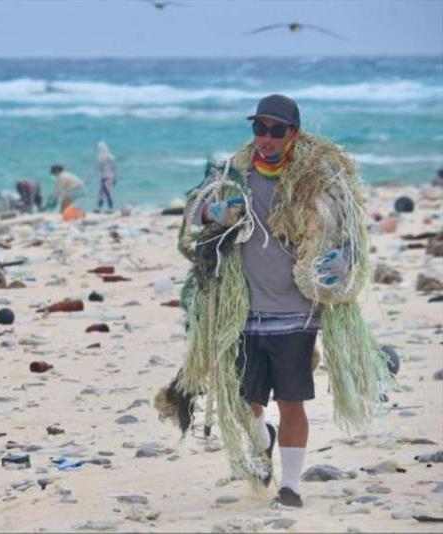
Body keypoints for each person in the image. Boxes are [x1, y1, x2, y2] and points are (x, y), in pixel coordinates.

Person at [168, 94, 388, 508]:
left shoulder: (318, 181)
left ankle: (290, 486)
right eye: (259, 128)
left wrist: (337, 263)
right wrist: (212, 212)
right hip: (243, 313)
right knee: (244, 403)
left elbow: (348, 238)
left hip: (296, 315)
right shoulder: (234, 174)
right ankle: (261, 439)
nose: (266, 138)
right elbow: (193, 213)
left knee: (291, 401)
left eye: (276, 130)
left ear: (294, 133)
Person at [95, 141, 117, 212]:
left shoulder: (100, 157)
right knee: (103, 192)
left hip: (105, 177)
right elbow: (114, 168)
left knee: (104, 192)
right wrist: (115, 178)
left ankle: (110, 208)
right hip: (110, 176)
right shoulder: (111, 157)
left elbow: (99, 168)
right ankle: (99, 208)